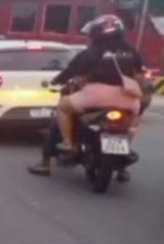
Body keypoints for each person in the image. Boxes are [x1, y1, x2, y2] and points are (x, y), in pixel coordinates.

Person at [53, 15, 145, 156]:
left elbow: (73, 71)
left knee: (63, 108)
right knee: (132, 125)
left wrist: (57, 80)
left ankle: (68, 144)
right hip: (129, 99)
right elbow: (139, 76)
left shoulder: (93, 51)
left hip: (96, 96)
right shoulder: (132, 51)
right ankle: (125, 148)